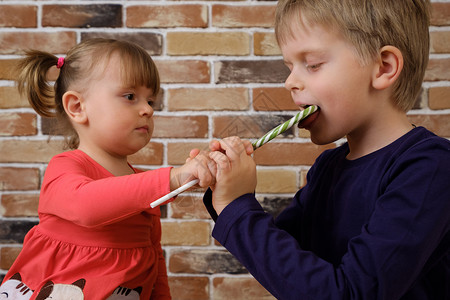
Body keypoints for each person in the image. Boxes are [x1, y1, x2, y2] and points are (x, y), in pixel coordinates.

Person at [203, 0, 450, 299]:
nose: (290, 82)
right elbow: (286, 268)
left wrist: (237, 207)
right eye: (290, 67)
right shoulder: (327, 167)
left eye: (313, 64)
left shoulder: (430, 168)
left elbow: (350, 293)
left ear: (383, 67)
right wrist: (226, 193)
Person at [0, 38, 215, 299]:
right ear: (77, 107)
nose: (147, 109)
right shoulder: (65, 167)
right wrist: (171, 178)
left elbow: (154, 266)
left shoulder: (142, 187)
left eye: (151, 101)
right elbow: (87, 206)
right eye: (130, 96)